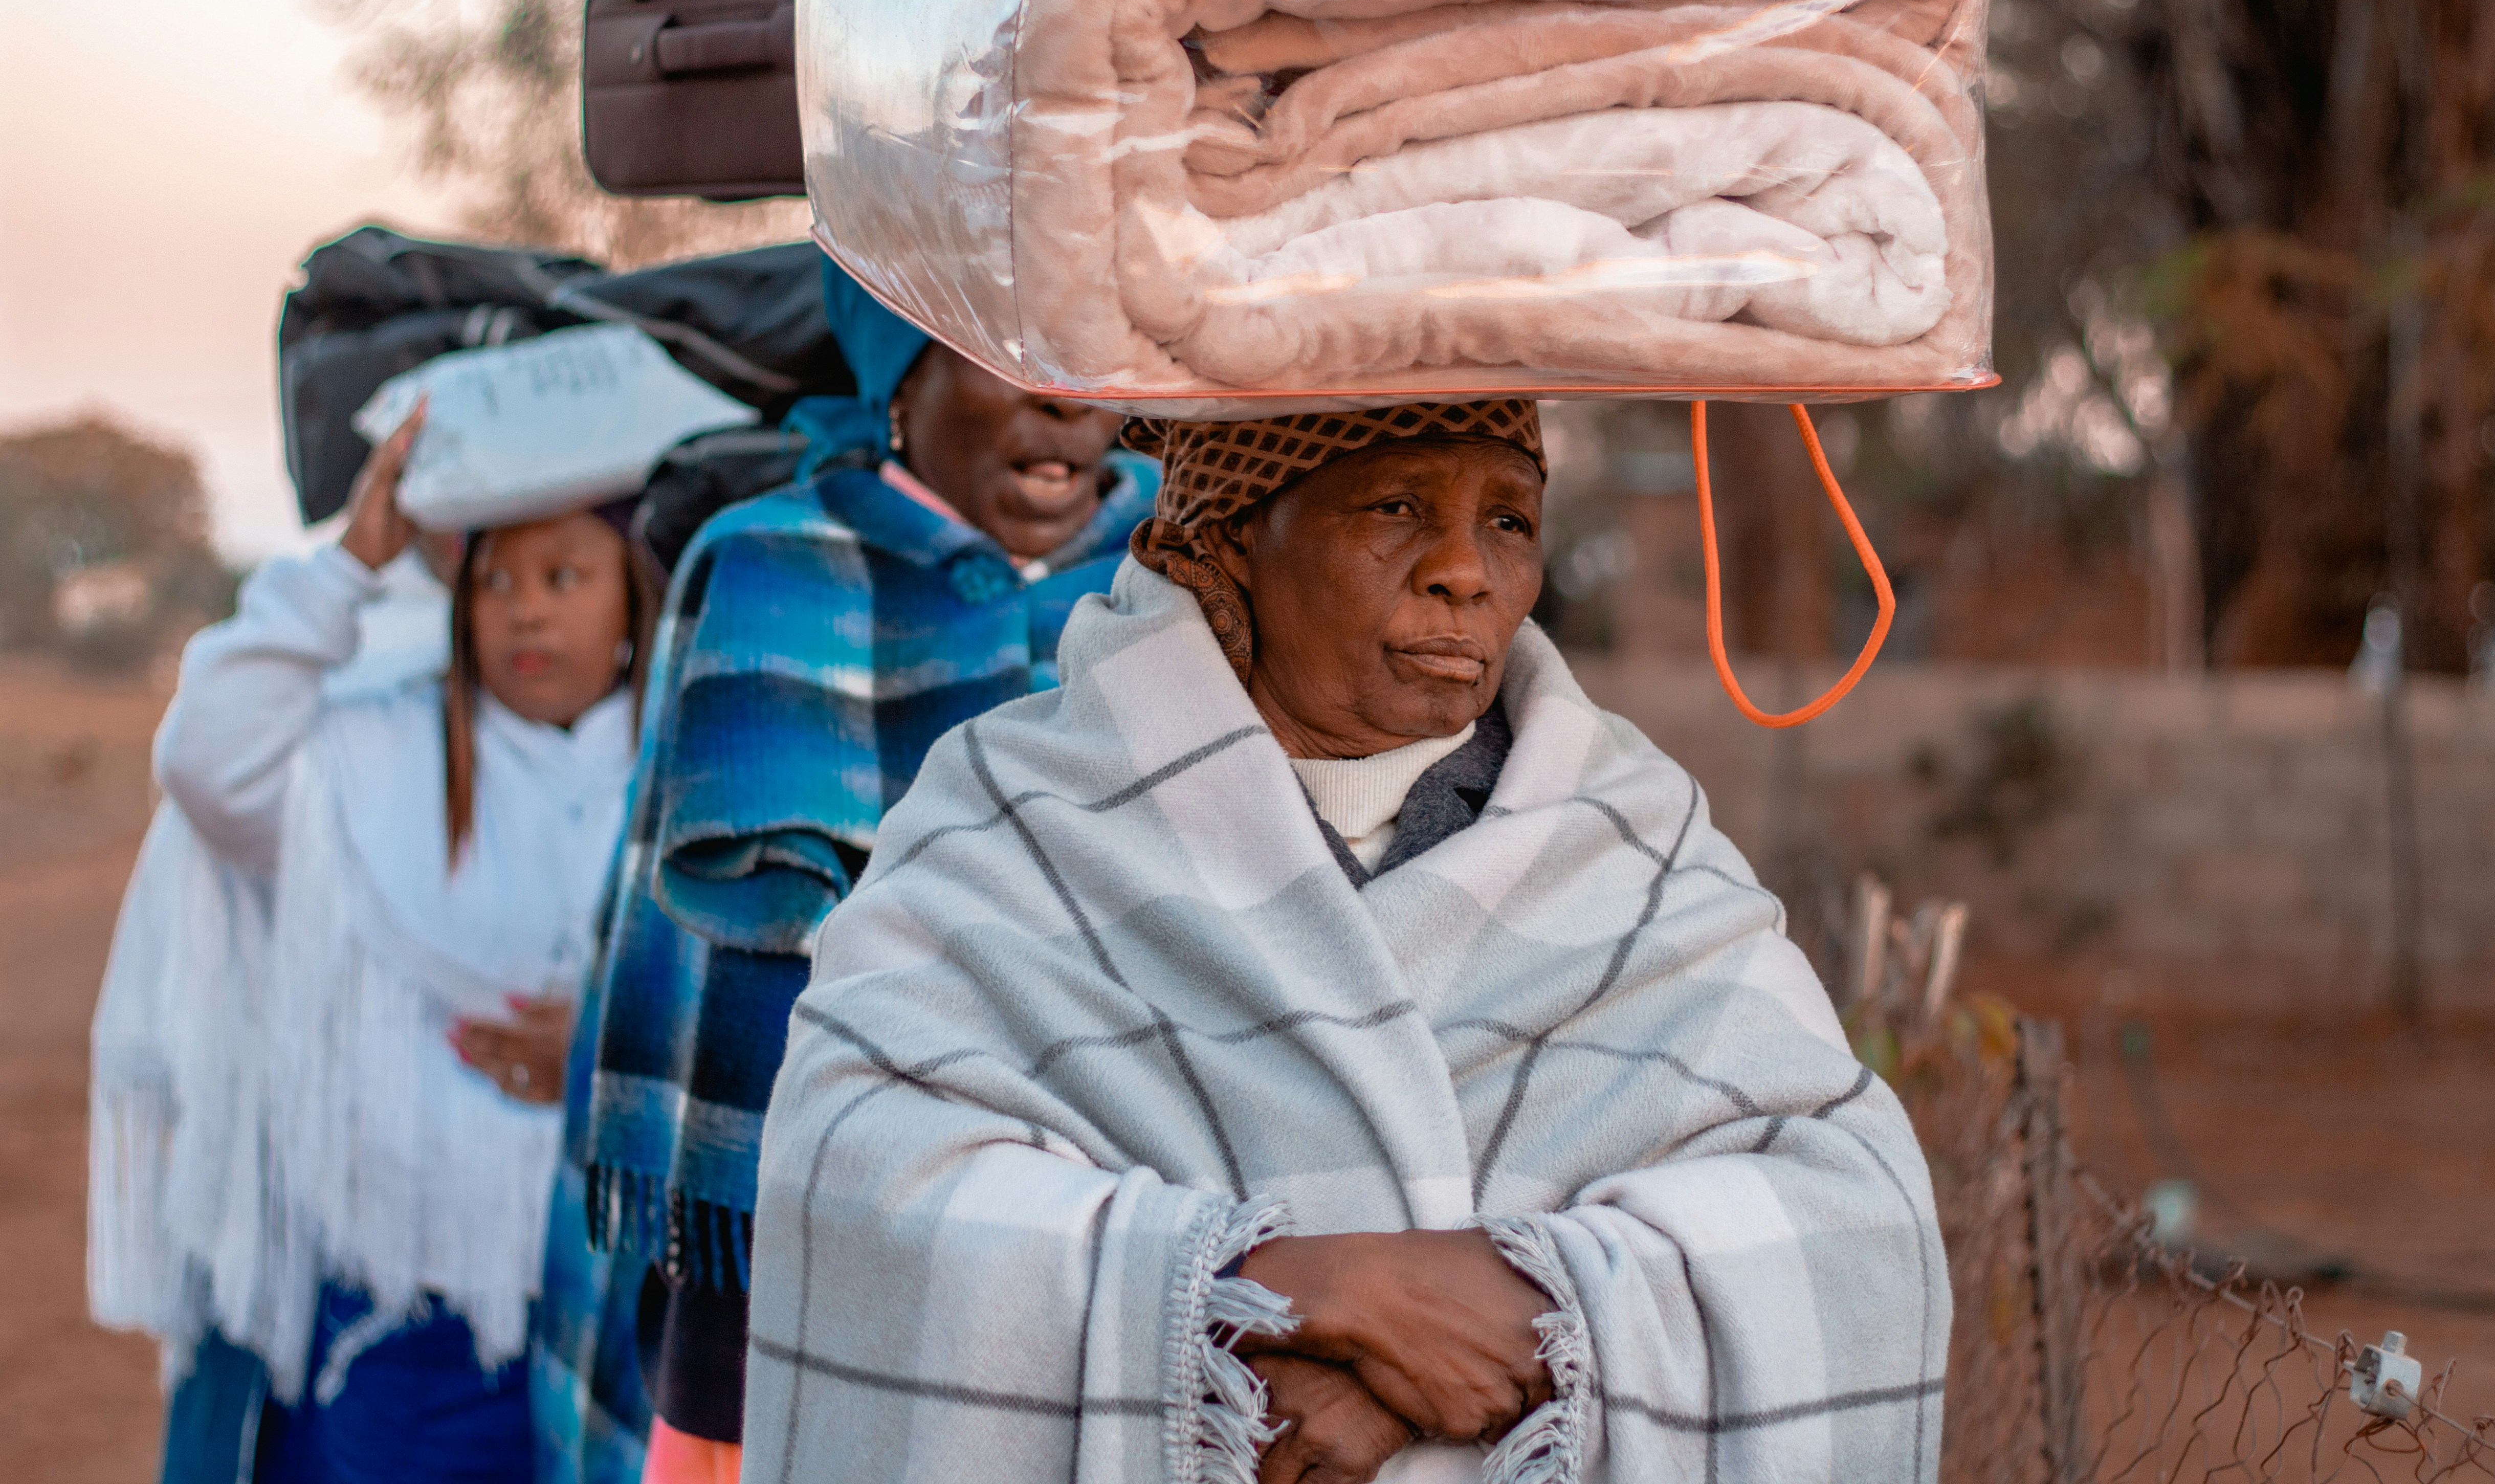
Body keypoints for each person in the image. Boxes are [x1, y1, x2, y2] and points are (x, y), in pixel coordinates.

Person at [744, 402, 1951, 1484]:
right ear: (1227, 539)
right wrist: (1288, 1292)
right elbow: (864, 1177)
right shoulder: (1014, 819)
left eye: (1511, 522)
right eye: (1398, 508)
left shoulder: (1633, 838)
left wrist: (1530, 1309)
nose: (1465, 573)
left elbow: (1855, 1218)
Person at [536, 261, 1161, 1484]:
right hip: (783, 1218)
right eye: (1008, 358)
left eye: (1089, 357)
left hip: (1115, 1220)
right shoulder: (774, 563)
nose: (1065, 403)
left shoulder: (1172, 574)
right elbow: (699, 947)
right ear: (898, 381)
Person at [152, 407, 659, 1484]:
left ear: (633, 596)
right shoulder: (374, 753)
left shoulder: (688, 774)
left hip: (618, 1325)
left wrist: (606, 1047)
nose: (525, 607)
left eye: (564, 576)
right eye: (494, 580)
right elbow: (208, 765)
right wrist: (350, 564)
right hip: (409, 1323)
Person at [92, 528, 456, 1484]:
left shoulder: (547, 704)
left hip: (452, 1239)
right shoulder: (324, 678)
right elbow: (209, 763)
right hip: (279, 1199)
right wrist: (346, 567)